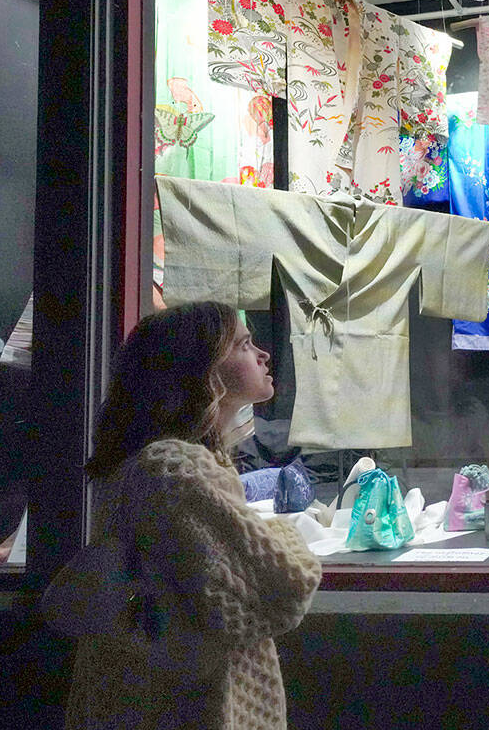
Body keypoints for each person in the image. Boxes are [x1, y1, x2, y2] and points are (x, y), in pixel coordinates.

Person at [63, 301, 322, 730]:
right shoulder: (176, 469)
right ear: (202, 371)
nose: (263, 354)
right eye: (243, 344)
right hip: (182, 708)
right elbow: (286, 585)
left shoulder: (148, 464)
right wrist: (287, 532)